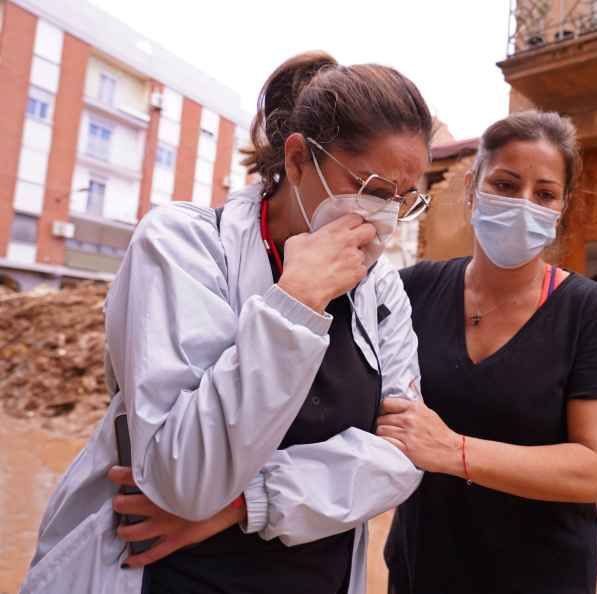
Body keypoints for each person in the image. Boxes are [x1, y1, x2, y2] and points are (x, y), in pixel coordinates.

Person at [20, 51, 434, 594]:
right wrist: (298, 301)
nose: (387, 217)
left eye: (406, 200)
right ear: (298, 161)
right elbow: (183, 477)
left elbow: (403, 456)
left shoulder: (381, 290)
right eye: (375, 189)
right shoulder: (182, 246)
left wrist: (245, 502)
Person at [378, 111, 597, 594]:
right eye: (507, 184)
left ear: (562, 207)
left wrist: (455, 452)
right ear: (472, 189)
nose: (524, 205)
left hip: (540, 577)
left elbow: (594, 470)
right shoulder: (411, 291)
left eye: (545, 194)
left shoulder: (588, 311)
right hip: (421, 570)